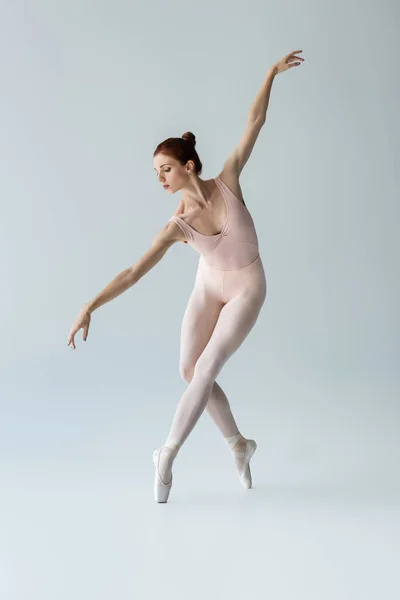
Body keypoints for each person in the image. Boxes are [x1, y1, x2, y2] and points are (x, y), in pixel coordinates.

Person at [67, 50, 305, 503]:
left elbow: (254, 122)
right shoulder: (177, 227)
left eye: (166, 170)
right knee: (188, 370)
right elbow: (134, 271)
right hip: (209, 284)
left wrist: (271, 74)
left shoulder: (229, 180)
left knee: (208, 367)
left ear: (189, 166)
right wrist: (88, 306)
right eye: (157, 172)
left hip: (247, 287)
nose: (160, 179)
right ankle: (239, 443)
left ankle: (167, 455)